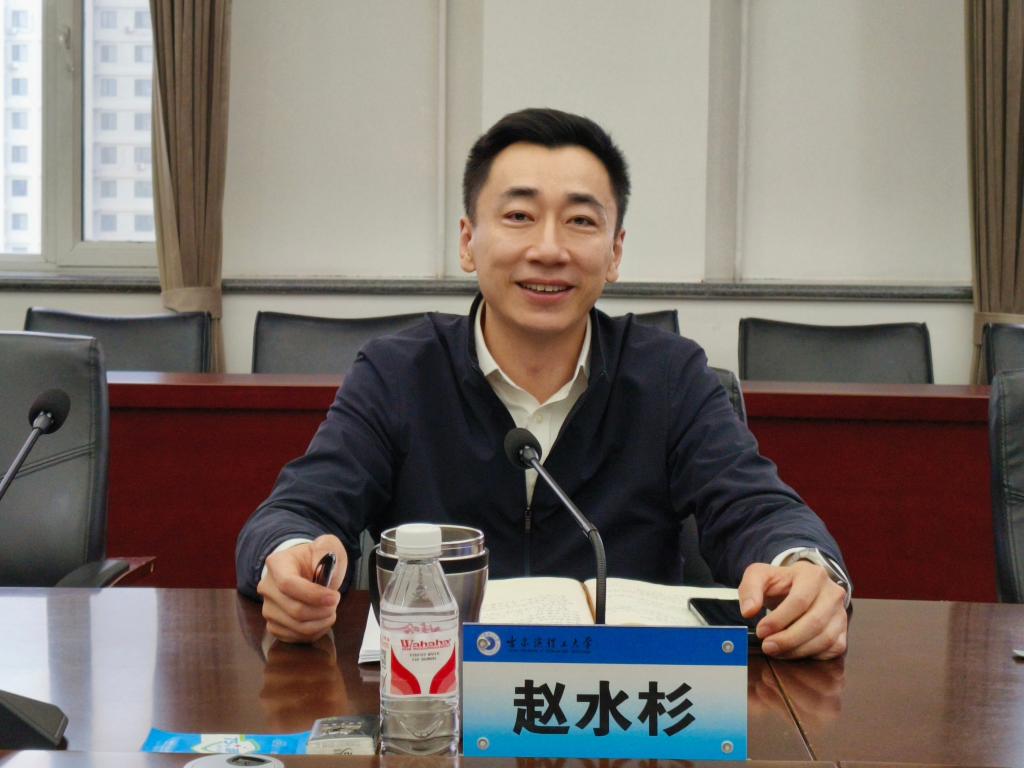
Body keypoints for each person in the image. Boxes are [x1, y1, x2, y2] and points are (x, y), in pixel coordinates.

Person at [236, 107, 851, 660]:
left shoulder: (669, 376)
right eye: (519, 216)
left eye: (580, 221)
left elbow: (757, 507)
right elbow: (296, 511)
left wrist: (804, 568)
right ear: (468, 242)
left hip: (624, 710)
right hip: (436, 699)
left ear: (614, 253)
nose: (549, 249)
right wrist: (287, 560)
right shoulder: (398, 373)